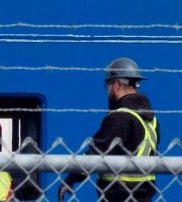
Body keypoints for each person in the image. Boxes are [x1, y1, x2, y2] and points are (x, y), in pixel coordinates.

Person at [58, 57, 159, 202]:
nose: (108, 92)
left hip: (118, 195)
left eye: (108, 86)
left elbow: (96, 153)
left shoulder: (120, 117)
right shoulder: (151, 120)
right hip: (144, 195)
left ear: (116, 85)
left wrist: (71, 179)